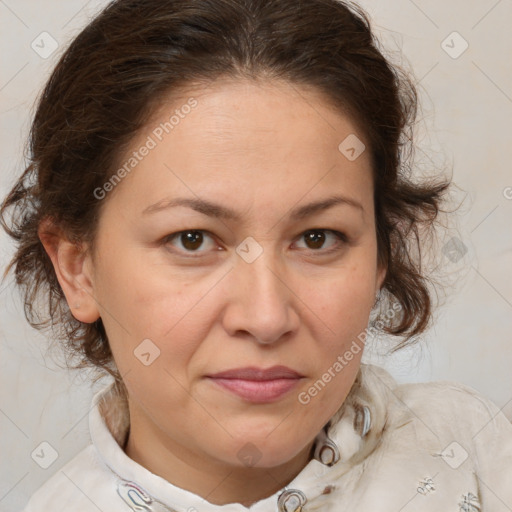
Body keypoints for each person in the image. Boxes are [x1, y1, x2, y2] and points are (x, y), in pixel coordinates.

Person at [1, 0, 511, 510]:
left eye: (317, 238)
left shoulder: (472, 455)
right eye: (193, 239)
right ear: (77, 269)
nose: (266, 318)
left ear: (382, 254)